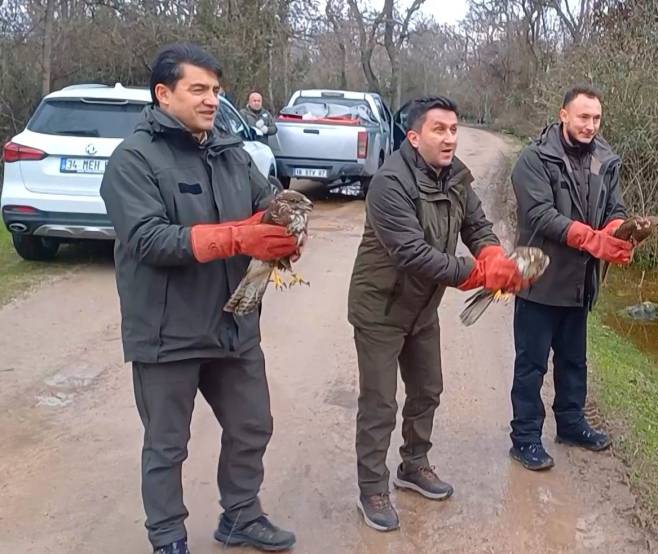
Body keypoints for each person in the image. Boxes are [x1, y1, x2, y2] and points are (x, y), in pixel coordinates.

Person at [100, 43, 298, 554]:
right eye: (199, 89)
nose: (212, 99)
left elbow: (265, 201)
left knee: (253, 424)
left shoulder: (228, 149)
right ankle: (167, 538)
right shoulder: (133, 160)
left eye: (216, 89)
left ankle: (241, 516)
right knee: (167, 446)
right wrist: (237, 237)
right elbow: (146, 239)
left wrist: (284, 224)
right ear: (164, 94)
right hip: (167, 331)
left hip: (233, 323)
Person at [347, 95, 525, 532]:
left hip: (422, 309)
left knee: (428, 389)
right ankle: (372, 487)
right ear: (413, 136)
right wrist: (477, 274)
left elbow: (478, 225)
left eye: (453, 129)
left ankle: (414, 465)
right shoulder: (390, 183)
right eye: (438, 130)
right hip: (380, 308)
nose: (449, 138)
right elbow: (412, 253)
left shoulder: (456, 178)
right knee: (380, 403)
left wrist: (494, 257)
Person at [508, 84, 634, 471]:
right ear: (563, 115)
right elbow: (540, 216)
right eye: (583, 117)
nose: (590, 125)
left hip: (580, 282)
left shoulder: (605, 160)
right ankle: (525, 438)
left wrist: (618, 231)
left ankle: (571, 424)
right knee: (531, 365)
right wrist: (592, 240)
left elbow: (615, 207)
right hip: (538, 277)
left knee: (574, 361)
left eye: (596, 118)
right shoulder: (533, 159)